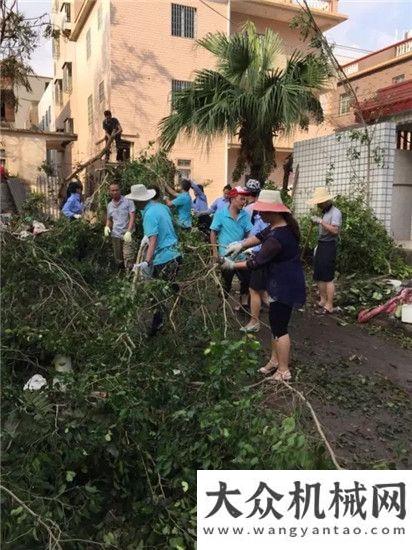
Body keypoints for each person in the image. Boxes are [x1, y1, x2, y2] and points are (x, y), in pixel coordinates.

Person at [222, 190, 306, 381]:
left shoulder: (278, 238)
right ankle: (274, 361)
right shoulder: (277, 227)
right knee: (275, 325)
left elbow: (256, 262)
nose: (259, 214)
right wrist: (241, 245)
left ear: (274, 212)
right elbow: (259, 236)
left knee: (280, 329)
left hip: (285, 286)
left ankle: (284, 371)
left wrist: (232, 264)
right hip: (280, 282)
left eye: (263, 211)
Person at [125, 184, 181, 336]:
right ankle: (177, 304)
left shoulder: (148, 214)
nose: (134, 203)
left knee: (156, 294)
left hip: (164, 257)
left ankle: (157, 327)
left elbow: (154, 238)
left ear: (139, 200)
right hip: (176, 253)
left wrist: (147, 261)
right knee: (166, 287)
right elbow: (169, 226)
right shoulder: (161, 207)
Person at [210, 186, 252, 310]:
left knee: (247, 280)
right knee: (226, 283)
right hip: (226, 257)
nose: (244, 202)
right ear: (233, 199)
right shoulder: (221, 213)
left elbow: (249, 232)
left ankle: (243, 305)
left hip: (241, 256)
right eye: (241, 199)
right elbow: (213, 233)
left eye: (244, 199)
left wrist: (249, 246)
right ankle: (221, 306)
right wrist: (215, 252)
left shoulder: (244, 215)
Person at [307, 186, 342, 314]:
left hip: (329, 246)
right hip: (321, 244)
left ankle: (329, 305)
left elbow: (335, 230)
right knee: (319, 274)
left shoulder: (335, 212)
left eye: (320, 203)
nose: (318, 205)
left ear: (326, 201)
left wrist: (321, 222)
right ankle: (322, 300)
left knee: (328, 277)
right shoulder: (325, 212)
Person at [241, 179, 270, 333]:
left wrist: (243, 245)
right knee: (262, 289)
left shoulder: (253, 211)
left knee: (254, 289)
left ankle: (254, 321)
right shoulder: (261, 212)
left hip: (258, 253)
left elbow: (258, 235)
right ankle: (279, 311)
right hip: (259, 251)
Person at [104, 183, 136, 270]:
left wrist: (129, 231)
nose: (115, 192)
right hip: (115, 234)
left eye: (116, 190)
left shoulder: (128, 201)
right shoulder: (110, 205)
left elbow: (132, 216)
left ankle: (130, 276)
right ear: (109, 192)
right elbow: (109, 219)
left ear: (120, 190)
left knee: (128, 256)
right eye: (112, 190)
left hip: (127, 233)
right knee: (118, 258)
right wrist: (107, 227)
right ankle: (121, 276)